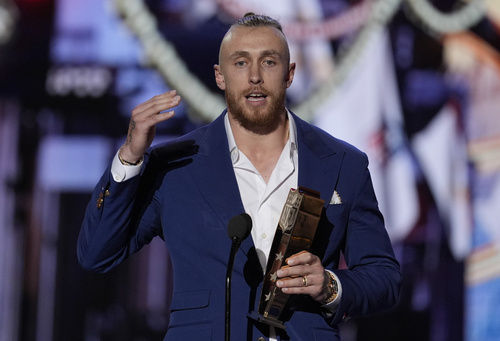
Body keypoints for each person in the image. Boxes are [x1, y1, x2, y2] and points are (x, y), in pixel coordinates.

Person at [77, 13, 401, 341]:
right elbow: (97, 253)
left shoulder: (344, 164)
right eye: (241, 63)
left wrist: (330, 285)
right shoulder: (175, 166)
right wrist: (129, 159)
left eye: (269, 62)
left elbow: (385, 278)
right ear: (220, 76)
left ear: (289, 74)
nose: (255, 77)